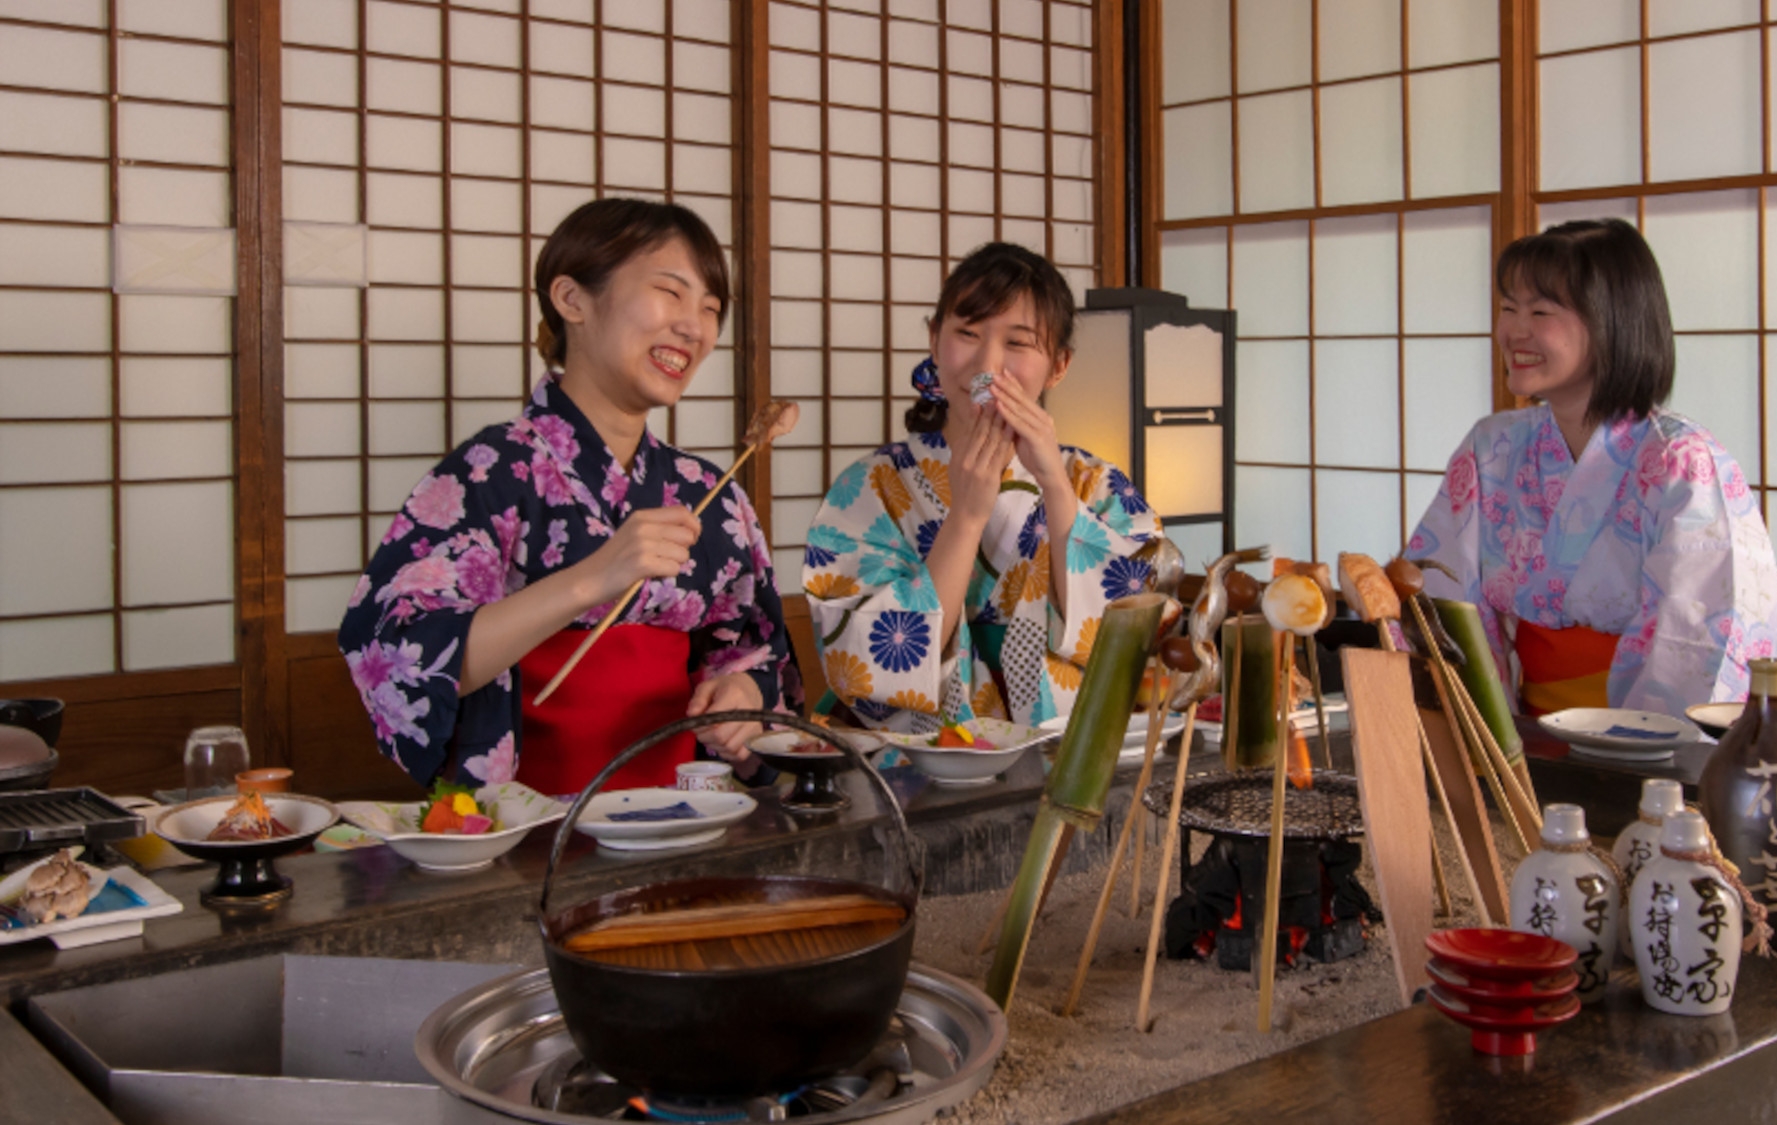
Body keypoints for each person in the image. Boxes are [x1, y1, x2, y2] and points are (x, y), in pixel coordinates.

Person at [338, 198, 799, 794]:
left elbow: (758, 656)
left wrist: (740, 696)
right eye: (671, 292)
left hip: (685, 816)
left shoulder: (710, 494)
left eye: (711, 309)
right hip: (528, 821)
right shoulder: (488, 473)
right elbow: (400, 653)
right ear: (571, 298)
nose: (696, 326)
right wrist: (592, 578)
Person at [1405, 218, 1777, 717]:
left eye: (1541, 310)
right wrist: (1493, 740)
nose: (1514, 330)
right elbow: (1440, 598)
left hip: (1647, 740)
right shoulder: (1492, 448)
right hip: (1524, 741)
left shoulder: (1683, 463)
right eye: (1507, 308)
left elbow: (1703, 639)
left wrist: (1634, 751)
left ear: (1612, 322)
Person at [804, 242, 1163, 733]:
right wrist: (967, 516)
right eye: (967, 333)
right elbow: (866, 664)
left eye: (1018, 343)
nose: (988, 365)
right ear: (934, 340)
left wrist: (1056, 486)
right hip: (918, 756)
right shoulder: (870, 487)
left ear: (1059, 364)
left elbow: (1134, 633)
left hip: (1068, 750)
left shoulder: (1095, 484)